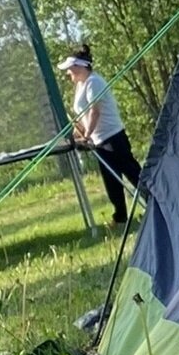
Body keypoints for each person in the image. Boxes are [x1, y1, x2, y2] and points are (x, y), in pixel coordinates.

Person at [58, 45, 141, 226]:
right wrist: (77, 134)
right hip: (99, 140)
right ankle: (120, 217)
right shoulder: (80, 86)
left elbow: (95, 111)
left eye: (70, 69)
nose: (68, 74)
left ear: (80, 67)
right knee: (111, 181)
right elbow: (82, 114)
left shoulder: (94, 82)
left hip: (112, 137)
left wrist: (87, 134)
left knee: (132, 173)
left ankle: (156, 202)